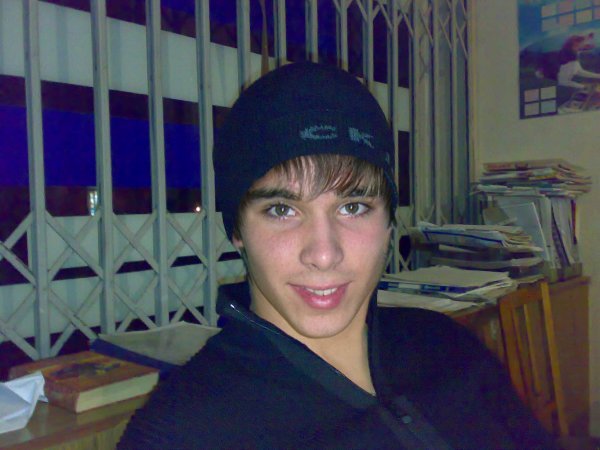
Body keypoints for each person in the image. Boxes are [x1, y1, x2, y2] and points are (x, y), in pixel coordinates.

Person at [119, 62, 555, 449]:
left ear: (388, 223)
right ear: (237, 230)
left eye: (353, 207)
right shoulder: (179, 434)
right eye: (282, 210)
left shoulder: (447, 346)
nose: (324, 254)